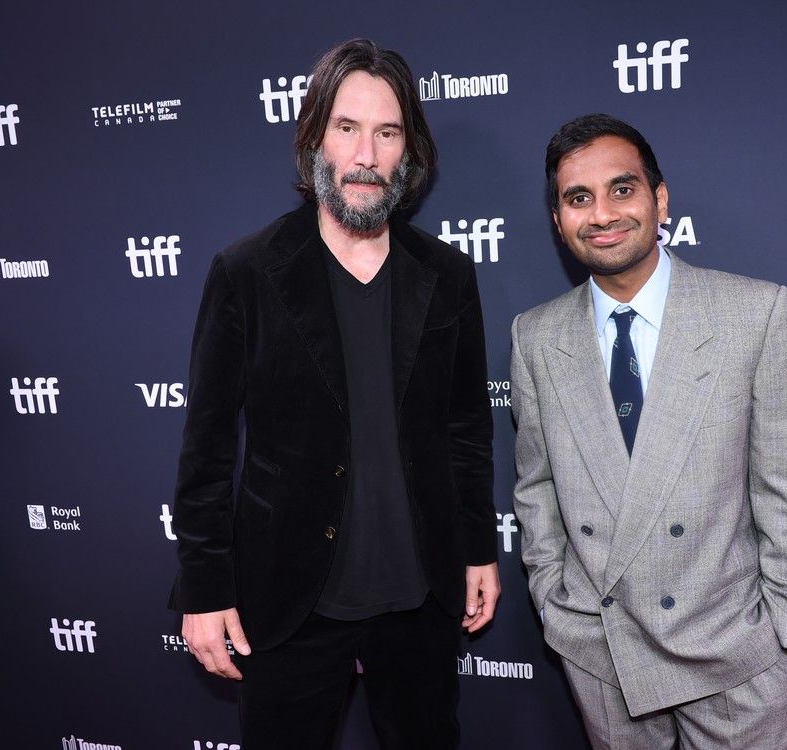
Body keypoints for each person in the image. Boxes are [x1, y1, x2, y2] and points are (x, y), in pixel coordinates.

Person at [168, 38, 500, 750]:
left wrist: (478, 548)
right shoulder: (248, 272)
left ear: (409, 152)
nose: (366, 154)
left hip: (420, 599)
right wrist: (204, 590)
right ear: (315, 136)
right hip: (289, 603)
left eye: (387, 132)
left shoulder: (447, 274)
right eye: (347, 128)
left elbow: (467, 428)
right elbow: (208, 448)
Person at [510, 113, 787, 749]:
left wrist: (783, 630)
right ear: (558, 220)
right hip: (602, 650)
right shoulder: (536, 335)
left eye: (622, 189)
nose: (601, 214)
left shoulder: (753, 313)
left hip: (735, 656)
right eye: (578, 198)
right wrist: (554, 603)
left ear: (660, 198)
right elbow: (536, 486)